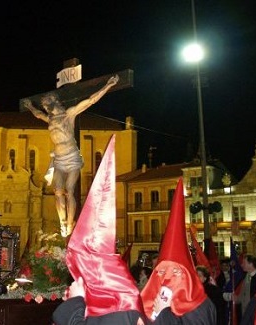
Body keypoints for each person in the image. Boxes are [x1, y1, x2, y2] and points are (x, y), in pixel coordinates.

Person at [52, 136, 146, 325]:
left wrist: (76, 301)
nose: (78, 278)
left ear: (96, 275)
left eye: (82, 271)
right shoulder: (117, 301)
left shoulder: (120, 307)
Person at [23, 75, 119, 237]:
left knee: (69, 190)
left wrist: (108, 85)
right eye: (45, 106)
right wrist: (30, 106)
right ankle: (63, 223)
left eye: (47, 105)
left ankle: (69, 222)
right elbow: (37, 114)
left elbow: (90, 100)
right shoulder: (50, 119)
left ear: (54, 103)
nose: (45, 108)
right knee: (57, 191)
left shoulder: (69, 114)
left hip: (72, 157)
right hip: (59, 160)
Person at [141, 179, 216, 324]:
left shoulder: (201, 306)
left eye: (175, 272)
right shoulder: (147, 303)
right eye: (161, 272)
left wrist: (164, 313)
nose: (167, 278)